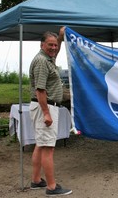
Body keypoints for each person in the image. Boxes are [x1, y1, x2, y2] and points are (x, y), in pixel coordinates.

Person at [29, 27, 72, 196]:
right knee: (48, 147)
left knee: (40, 145)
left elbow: (56, 50)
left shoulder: (48, 58)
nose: (54, 48)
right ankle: (52, 187)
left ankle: (36, 180)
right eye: (50, 45)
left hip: (45, 106)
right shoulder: (41, 61)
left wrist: (60, 38)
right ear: (42, 45)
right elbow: (40, 90)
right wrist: (46, 113)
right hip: (44, 106)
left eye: (55, 45)